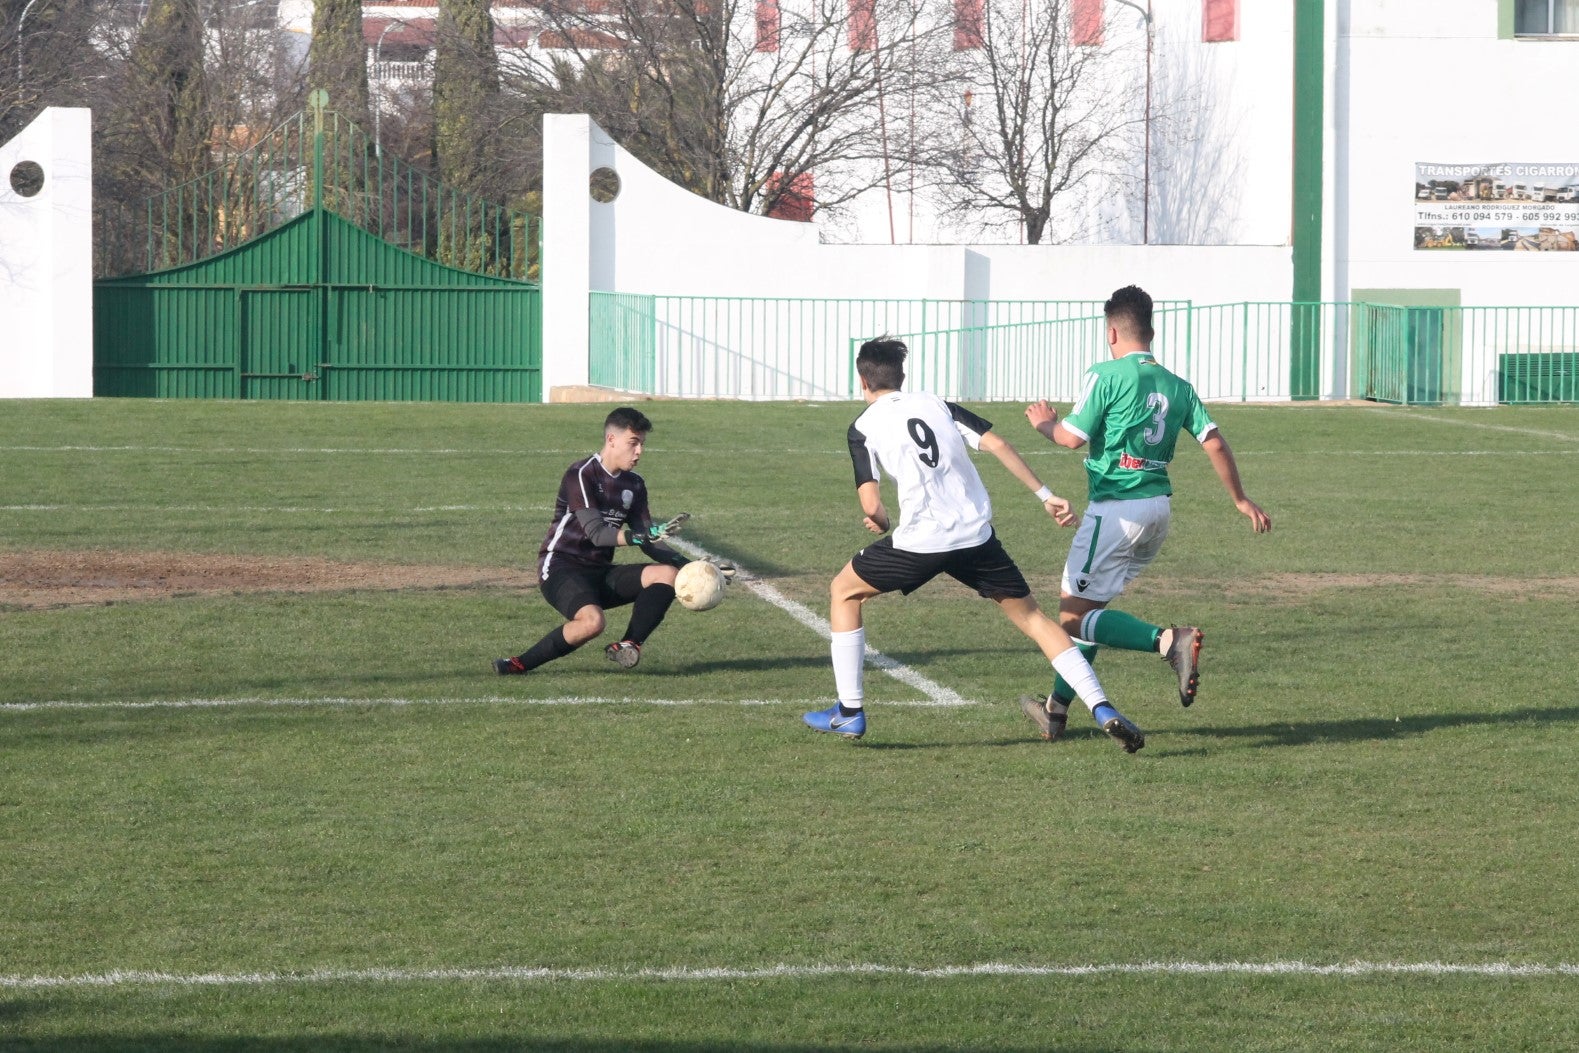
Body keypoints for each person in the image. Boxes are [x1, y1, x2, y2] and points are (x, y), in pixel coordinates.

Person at [802, 337, 1145, 753]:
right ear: (902, 377)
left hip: (920, 543)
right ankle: (1102, 706)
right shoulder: (935, 403)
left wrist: (880, 520)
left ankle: (849, 711)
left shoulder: (863, 427)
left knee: (843, 590)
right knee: (1036, 620)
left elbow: (872, 506)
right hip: (975, 537)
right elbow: (998, 444)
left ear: (862, 380)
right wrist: (1046, 495)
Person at [1020, 284, 1271, 741]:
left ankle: (1167, 640)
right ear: (1151, 331)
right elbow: (1213, 440)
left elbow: (1071, 437)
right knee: (1092, 614)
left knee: (1072, 620)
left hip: (1115, 511)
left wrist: (1043, 423)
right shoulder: (1178, 385)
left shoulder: (1106, 374)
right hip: (1158, 512)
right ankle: (1056, 709)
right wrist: (1240, 498)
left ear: (1112, 331)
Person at [494, 406, 691, 676]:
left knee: (668, 575)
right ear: (611, 440)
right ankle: (519, 664)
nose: (639, 452)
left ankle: (628, 645)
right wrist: (640, 536)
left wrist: (689, 566)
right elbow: (597, 534)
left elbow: (649, 539)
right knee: (593, 622)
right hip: (562, 566)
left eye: (642, 444)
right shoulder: (581, 474)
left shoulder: (634, 484)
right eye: (633, 443)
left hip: (598, 571)